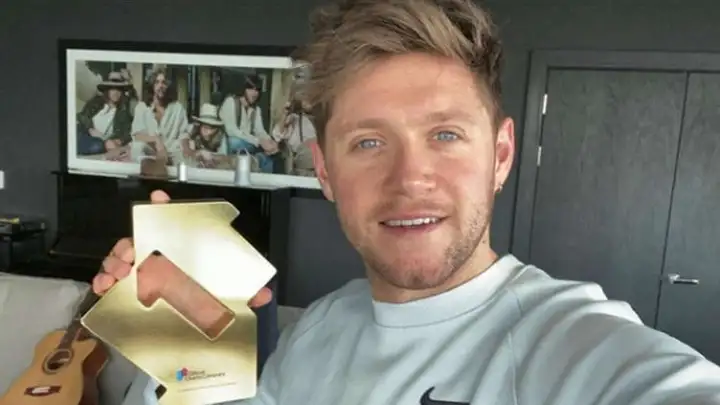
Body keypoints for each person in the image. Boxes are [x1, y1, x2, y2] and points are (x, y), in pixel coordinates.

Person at [96, 0, 720, 404]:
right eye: (368, 142)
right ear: (325, 172)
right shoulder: (316, 331)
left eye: (445, 135)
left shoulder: (577, 349)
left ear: (501, 155)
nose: (409, 179)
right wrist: (187, 332)